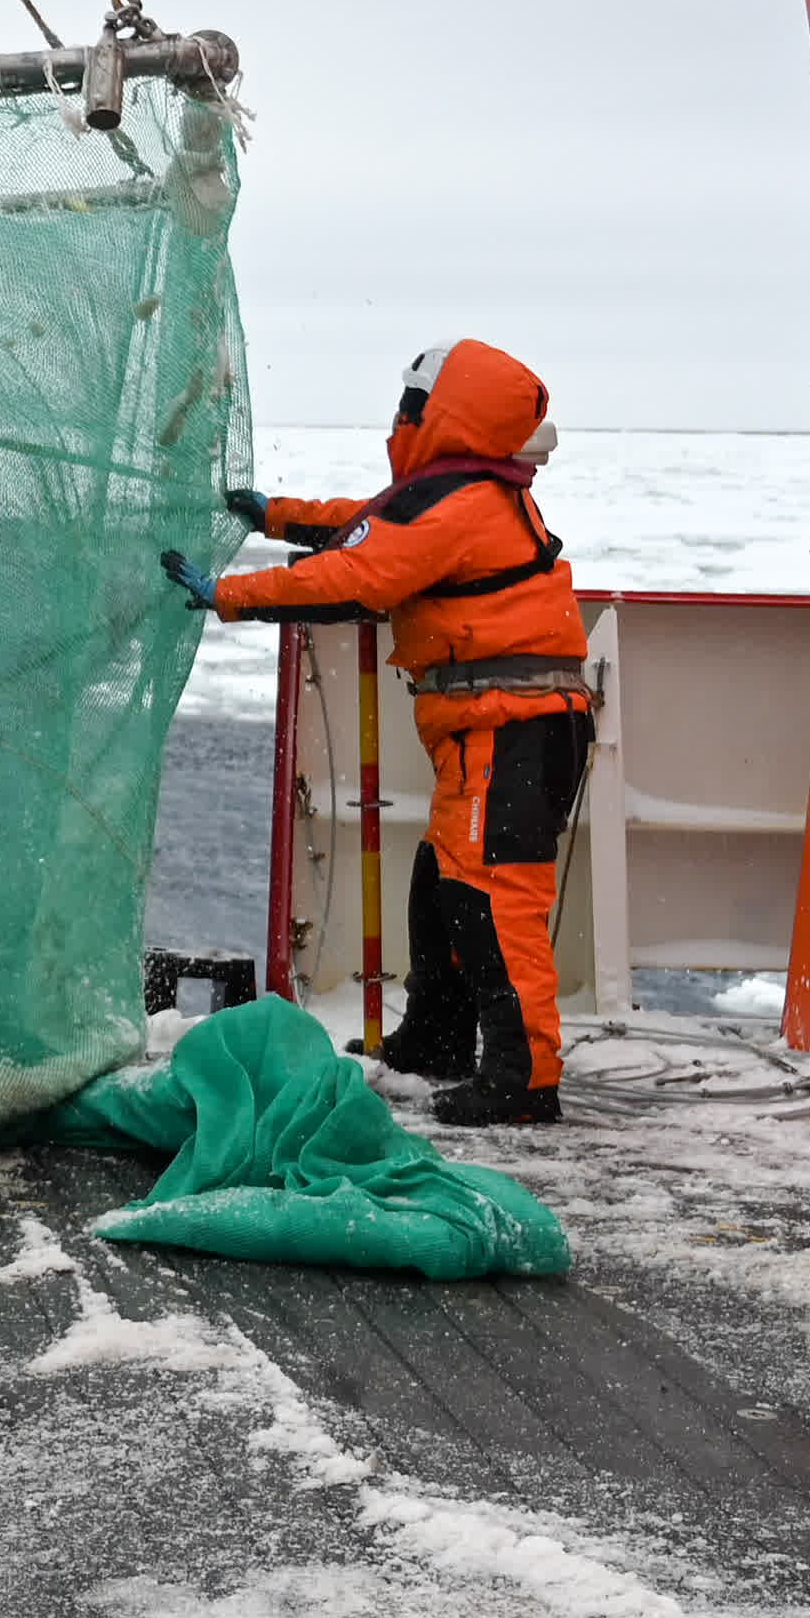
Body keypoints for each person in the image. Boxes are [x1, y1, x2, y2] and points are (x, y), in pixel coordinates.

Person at [173, 341, 595, 1126]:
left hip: (511, 733)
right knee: (444, 888)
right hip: (495, 731)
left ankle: (523, 1080)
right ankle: (437, 1039)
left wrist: (227, 596)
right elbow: (369, 528)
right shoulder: (456, 496)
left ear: (443, 415)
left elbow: (359, 574)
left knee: (494, 903)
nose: (399, 420)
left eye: (411, 406)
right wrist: (277, 517)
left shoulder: (461, 504)